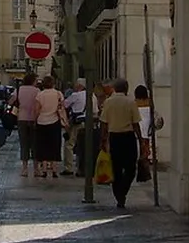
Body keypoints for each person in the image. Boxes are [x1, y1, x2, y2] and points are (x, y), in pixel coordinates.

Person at [99, 78, 145, 208]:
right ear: (126, 88)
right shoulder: (131, 102)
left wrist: (103, 139)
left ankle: (118, 194)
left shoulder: (108, 102)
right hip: (128, 137)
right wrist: (140, 140)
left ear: (114, 88)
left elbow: (104, 123)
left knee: (116, 168)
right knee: (131, 168)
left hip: (114, 138)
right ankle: (123, 191)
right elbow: (136, 123)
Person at [33, 75, 66, 178]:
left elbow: (37, 110)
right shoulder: (58, 94)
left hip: (42, 122)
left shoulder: (40, 95)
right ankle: (54, 168)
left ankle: (44, 170)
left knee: (43, 145)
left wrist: (35, 120)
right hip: (54, 122)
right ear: (53, 83)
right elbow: (62, 107)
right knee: (55, 145)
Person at [8, 72, 40, 177]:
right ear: (32, 81)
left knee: (24, 144)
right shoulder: (37, 91)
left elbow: (10, 101)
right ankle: (36, 169)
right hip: (34, 119)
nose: (37, 83)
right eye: (36, 81)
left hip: (21, 118)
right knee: (35, 144)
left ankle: (25, 169)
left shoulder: (19, 90)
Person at [62, 78, 89, 176]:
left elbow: (64, 104)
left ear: (79, 86)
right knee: (83, 146)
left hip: (76, 122)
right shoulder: (91, 95)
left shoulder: (75, 95)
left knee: (70, 144)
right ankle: (82, 168)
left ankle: (68, 168)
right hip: (87, 122)